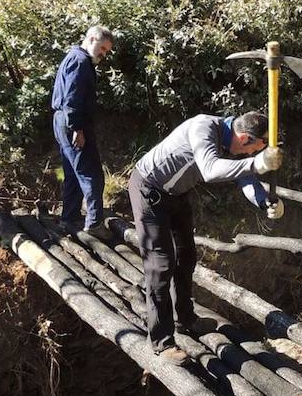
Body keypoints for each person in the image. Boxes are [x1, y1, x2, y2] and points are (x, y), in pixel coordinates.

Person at [129, 111, 284, 363]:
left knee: (187, 256)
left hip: (176, 195)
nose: (255, 152)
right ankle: (161, 341)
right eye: (258, 146)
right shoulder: (204, 127)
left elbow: (244, 176)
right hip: (148, 191)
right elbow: (211, 170)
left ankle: (186, 318)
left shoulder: (231, 142)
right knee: (160, 265)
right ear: (244, 138)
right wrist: (258, 163)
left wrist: (263, 200)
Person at [51, 25, 114, 235]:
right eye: (102, 48)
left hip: (62, 120)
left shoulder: (74, 57)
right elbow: (72, 97)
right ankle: (94, 224)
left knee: (72, 172)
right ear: (92, 38)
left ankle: (69, 219)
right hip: (72, 122)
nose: (103, 54)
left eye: (106, 52)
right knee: (91, 173)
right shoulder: (80, 61)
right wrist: (77, 128)